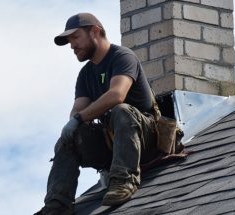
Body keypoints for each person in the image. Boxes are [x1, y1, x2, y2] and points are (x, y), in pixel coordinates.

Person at [35, 13, 160, 215]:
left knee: (122, 111)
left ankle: (124, 181)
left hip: (146, 140)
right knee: (69, 136)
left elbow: (117, 95)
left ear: (95, 31)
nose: (72, 46)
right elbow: (78, 110)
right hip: (114, 145)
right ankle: (57, 205)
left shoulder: (122, 57)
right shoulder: (86, 74)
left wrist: (79, 118)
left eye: (75, 37)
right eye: (69, 41)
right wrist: (76, 125)